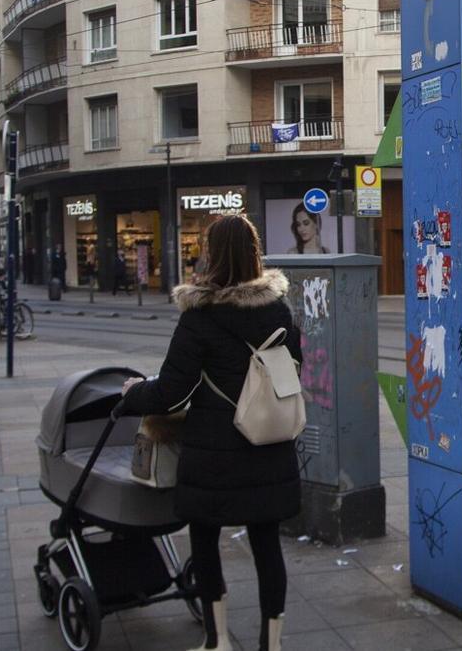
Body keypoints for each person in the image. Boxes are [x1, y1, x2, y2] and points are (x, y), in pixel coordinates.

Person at [120, 215, 301, 651]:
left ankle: (217, 641)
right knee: (266, 543)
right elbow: (293, 367)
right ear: (254, 253)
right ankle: (271, 645)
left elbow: (170, 391)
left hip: (214, 451)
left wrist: (131, 394)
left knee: (204, 538)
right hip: (267, 443)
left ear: (212, 255)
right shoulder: (278, 309)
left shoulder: (199, 317)